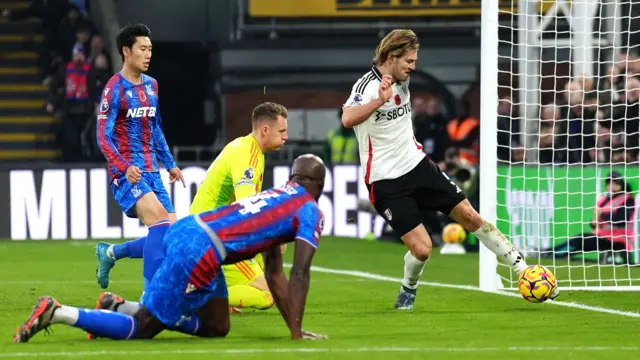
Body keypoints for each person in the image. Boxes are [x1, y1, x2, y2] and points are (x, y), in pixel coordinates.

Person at [341, 29, 555, 310]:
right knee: (422, 248)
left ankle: (524, 270)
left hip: (418, 166)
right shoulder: (367, 86)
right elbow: (347, 118)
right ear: (391, 57)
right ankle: (409, 288)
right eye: (409, 60)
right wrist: (379, 101)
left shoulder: (402, 79)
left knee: (470, 216)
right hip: (385, 181)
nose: (413, 67)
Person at [14, 155, 328, 343]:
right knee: (144, 327)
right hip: (202, 247)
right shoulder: (308, 208)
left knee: (217, 327)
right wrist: (298, 334)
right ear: (320, 185)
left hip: (197, 234)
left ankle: (118, 306)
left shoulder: (277, 195)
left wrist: (294, 329)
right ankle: (58, 312)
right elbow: (298, 274)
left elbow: (274, 274)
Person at [93, 102, 288, 314]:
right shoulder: (247, 155)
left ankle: (113, 252)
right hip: (216, 236)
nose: (286, 136)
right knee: (268, 293)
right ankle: (198, 297)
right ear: (265, 130)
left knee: (169, 241)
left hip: (205, 226)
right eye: (282, 131)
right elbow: (247, 205)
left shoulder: (245, 147)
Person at [95, 23, 184, 290]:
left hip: (151, 170)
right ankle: (150, 298)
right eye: (142, 49)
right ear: (126, 51)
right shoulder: (114, 89)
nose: (148, 54)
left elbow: (155, 127)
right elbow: (103, 136)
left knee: (170, 236)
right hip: (126, 174)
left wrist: (170, 164)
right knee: (159, 223)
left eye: (150, 49)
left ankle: (110, 253)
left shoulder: (152, 86)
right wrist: (123, 167)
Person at [541, 171, 636, 264]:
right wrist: (594, 221)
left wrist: (601, 214)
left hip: (620, 239)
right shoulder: (605, 200)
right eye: (609, 183)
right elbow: (597, 221)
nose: (611, 186)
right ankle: (550, 252)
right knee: (580, 238)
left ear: (621, 185)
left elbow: (622, 220)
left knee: (580, 240)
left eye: (615, 183)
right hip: (603, 235)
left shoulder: (628, 200)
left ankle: (553, 253)